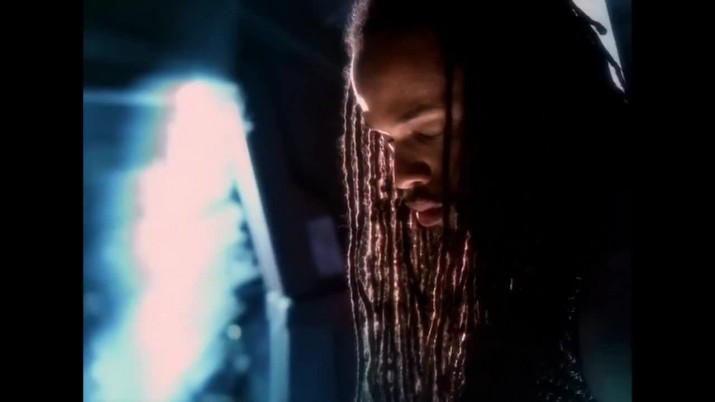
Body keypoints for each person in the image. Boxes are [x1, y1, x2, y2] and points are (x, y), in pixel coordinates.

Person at [340, 0, 632, 401]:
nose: (402, 175)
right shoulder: (523, 263)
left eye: (428, 132)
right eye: (388, 141)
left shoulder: (612, 305)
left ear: (527, 103)